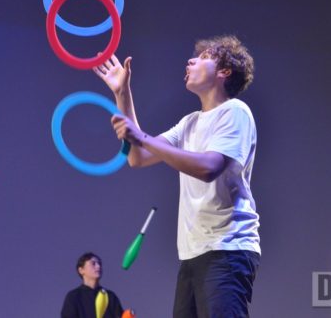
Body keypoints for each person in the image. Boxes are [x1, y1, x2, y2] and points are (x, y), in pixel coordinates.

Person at [93, 35, 261, 318]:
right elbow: (138, 157)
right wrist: (122, 93)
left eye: (204, 57)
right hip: (192, 254)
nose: (191, 61)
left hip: (227, 249)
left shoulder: (235, 112)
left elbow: (209, 167)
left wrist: (140, 137)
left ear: (224, 71)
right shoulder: (189, 123)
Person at [61, 252, 124, 318]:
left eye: (99, 264)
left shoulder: (110, 296)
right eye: (93, 264)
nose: (98, 266)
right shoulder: (73, 296)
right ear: (81, 270)